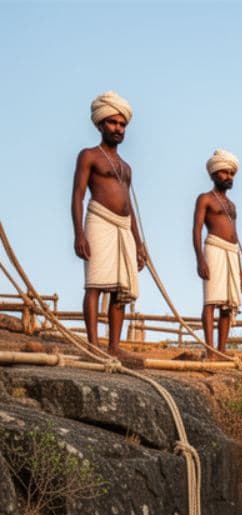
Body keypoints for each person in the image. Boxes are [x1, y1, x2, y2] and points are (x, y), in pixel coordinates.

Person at [71, 92, 146, 356]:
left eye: (122, 124)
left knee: (121, 287)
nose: (118, 128)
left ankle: (114, 346)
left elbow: (130, 206)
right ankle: (93, 344)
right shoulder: (89, 156)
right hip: (99, 220)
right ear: (100, 124)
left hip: (124, 226)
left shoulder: (126, 167)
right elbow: (78, 195)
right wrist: (79, 233)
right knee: (95, 283)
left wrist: (139, 243)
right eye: (113, 122)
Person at [193, 150, 242, 354]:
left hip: (232, 252)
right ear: (214, 173)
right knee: (211, 300)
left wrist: (240, 271)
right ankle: (210, 350)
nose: (229, 177)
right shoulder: (205, 199)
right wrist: (200, 259)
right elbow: (197, 229)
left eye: (231, 173)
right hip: (214, 248)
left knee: (228, 304)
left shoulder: (231, 205)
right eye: (224, 172)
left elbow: (236, 236)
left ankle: (221, 350)